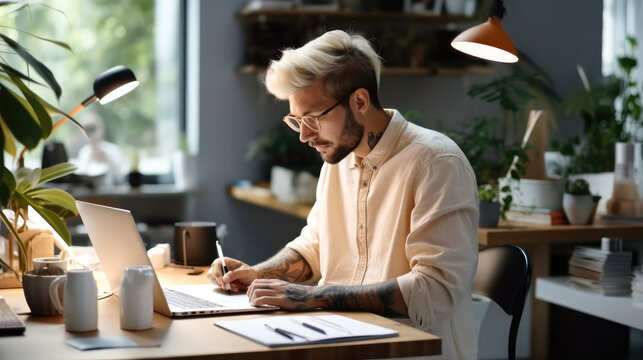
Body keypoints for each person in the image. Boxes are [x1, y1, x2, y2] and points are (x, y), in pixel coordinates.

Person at [208, 30, 479, 359]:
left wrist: (314, 297)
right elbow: (316, 247)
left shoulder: (436, 163)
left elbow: (435, 290)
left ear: (360, 101)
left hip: (412, 351)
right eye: (297, 121)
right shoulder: (336, 163)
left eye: (313, 118)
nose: (305, 135)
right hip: (339, 342)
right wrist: (259, 274)